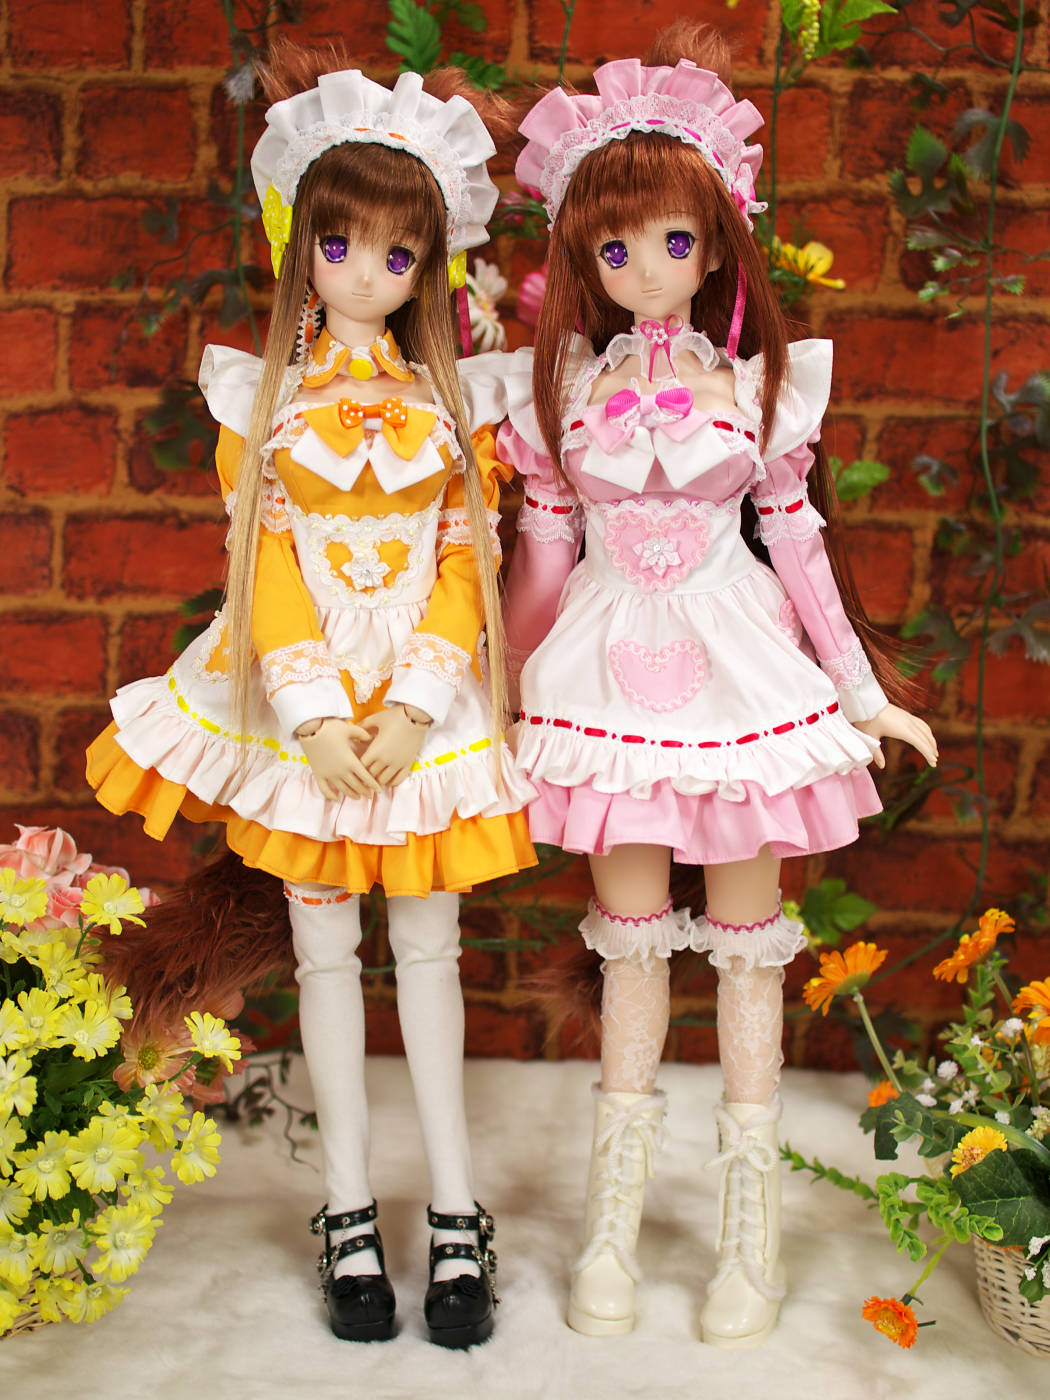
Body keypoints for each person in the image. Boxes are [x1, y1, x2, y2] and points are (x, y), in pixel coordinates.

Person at [87, 43, 535, 1349]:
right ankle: (346, 1211)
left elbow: (467, 562)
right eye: (340, 246)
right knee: (326, 954)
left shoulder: (456, 401)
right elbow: (264, 566)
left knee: (432, 950)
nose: (366, 274)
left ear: (429, 264)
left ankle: (454, 1210)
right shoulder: (265, 400)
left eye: (398, 254)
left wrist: (418, 700)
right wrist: (314, 712)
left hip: (422, 711)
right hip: (310, 713)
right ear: (302, 245)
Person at [499, 23, 937, 1347]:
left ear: (717, 243)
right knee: (629, 946)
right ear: (582, 257)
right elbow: (542, 554)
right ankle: (613, 1222)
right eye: (615, 248)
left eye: (673, 241)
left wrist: (857, 690)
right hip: (604, 678)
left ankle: (752, 1230)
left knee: (749, 951)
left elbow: (796, 541)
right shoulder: (558, 389)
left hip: (738, 669)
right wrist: (502, 699)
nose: (646, 270)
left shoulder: (758, 387)